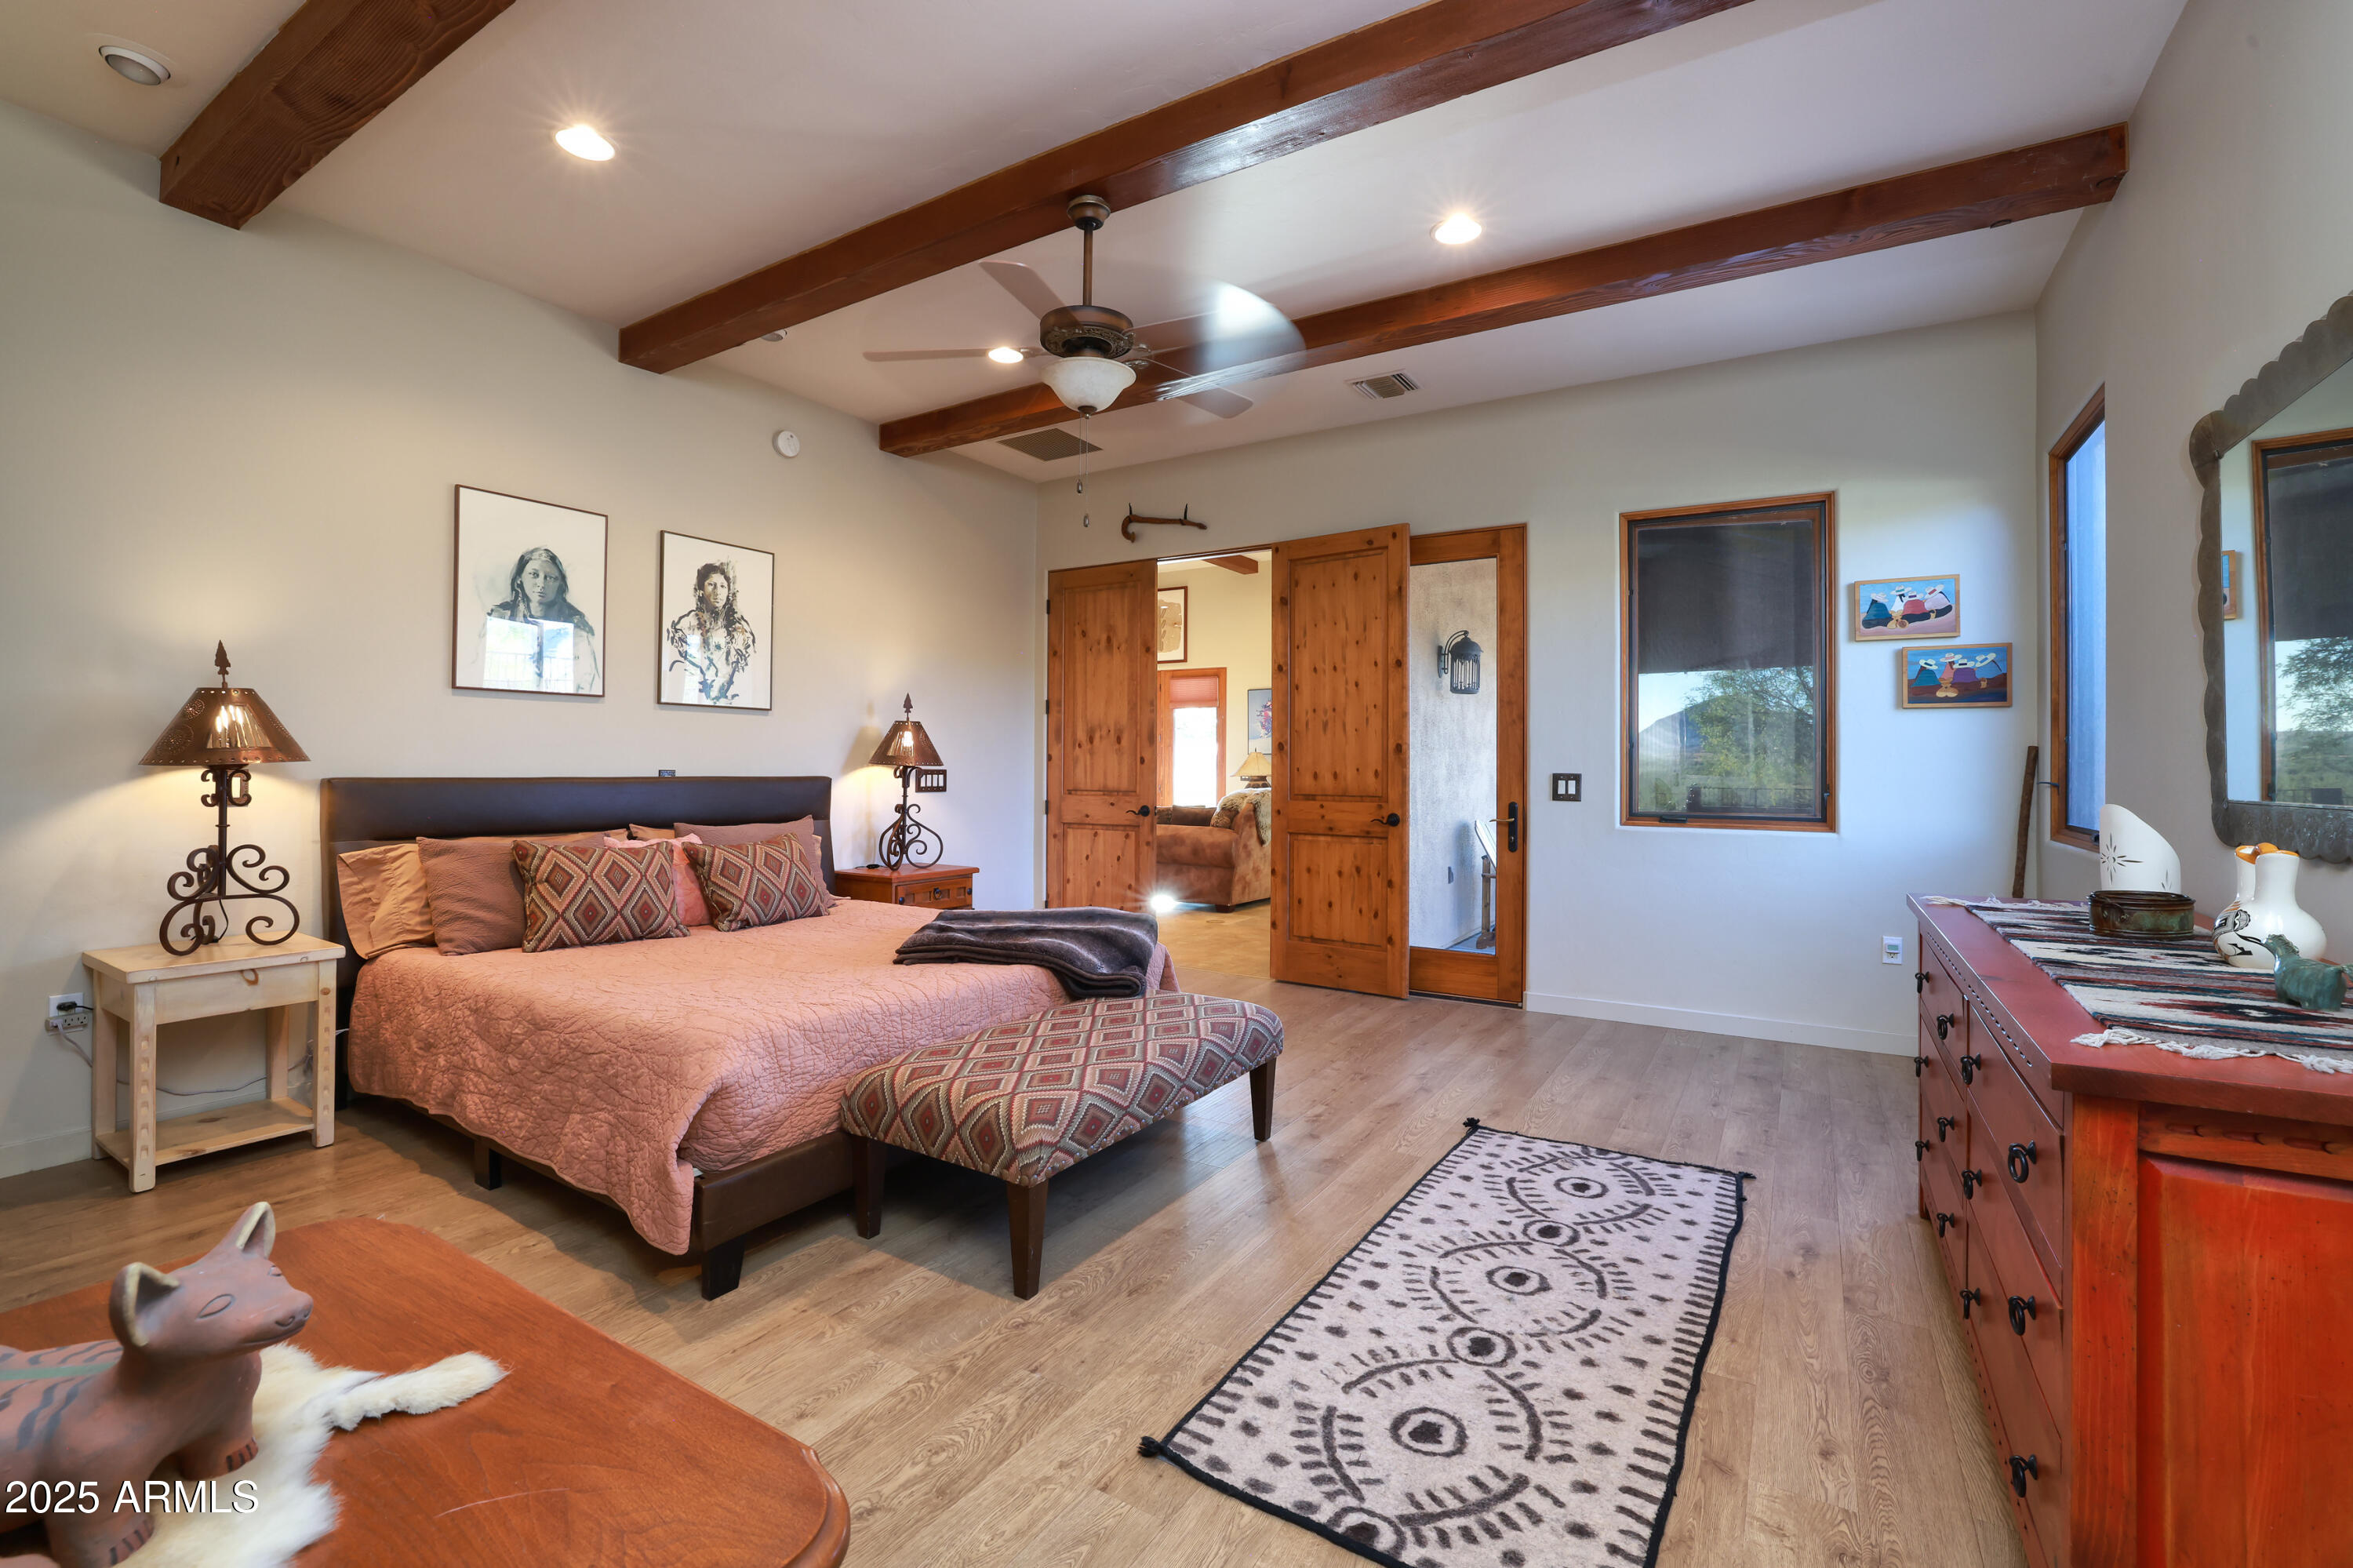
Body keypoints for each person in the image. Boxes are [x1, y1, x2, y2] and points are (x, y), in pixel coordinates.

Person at [482, 546, 598, 693]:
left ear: (560, 584)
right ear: (519, 579)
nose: (541, 584)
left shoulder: (577, 628)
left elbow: (586, 682)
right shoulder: (500, 619)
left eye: (550, 578)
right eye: (534, 575)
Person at [667, 560, 757, 704]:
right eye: (711, 585)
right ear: (701, 589)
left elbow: (747, 674)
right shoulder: (686, 626)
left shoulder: (741, 631)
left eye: (722, 586)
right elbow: (679, 671)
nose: (717, 592)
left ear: (728, 592)